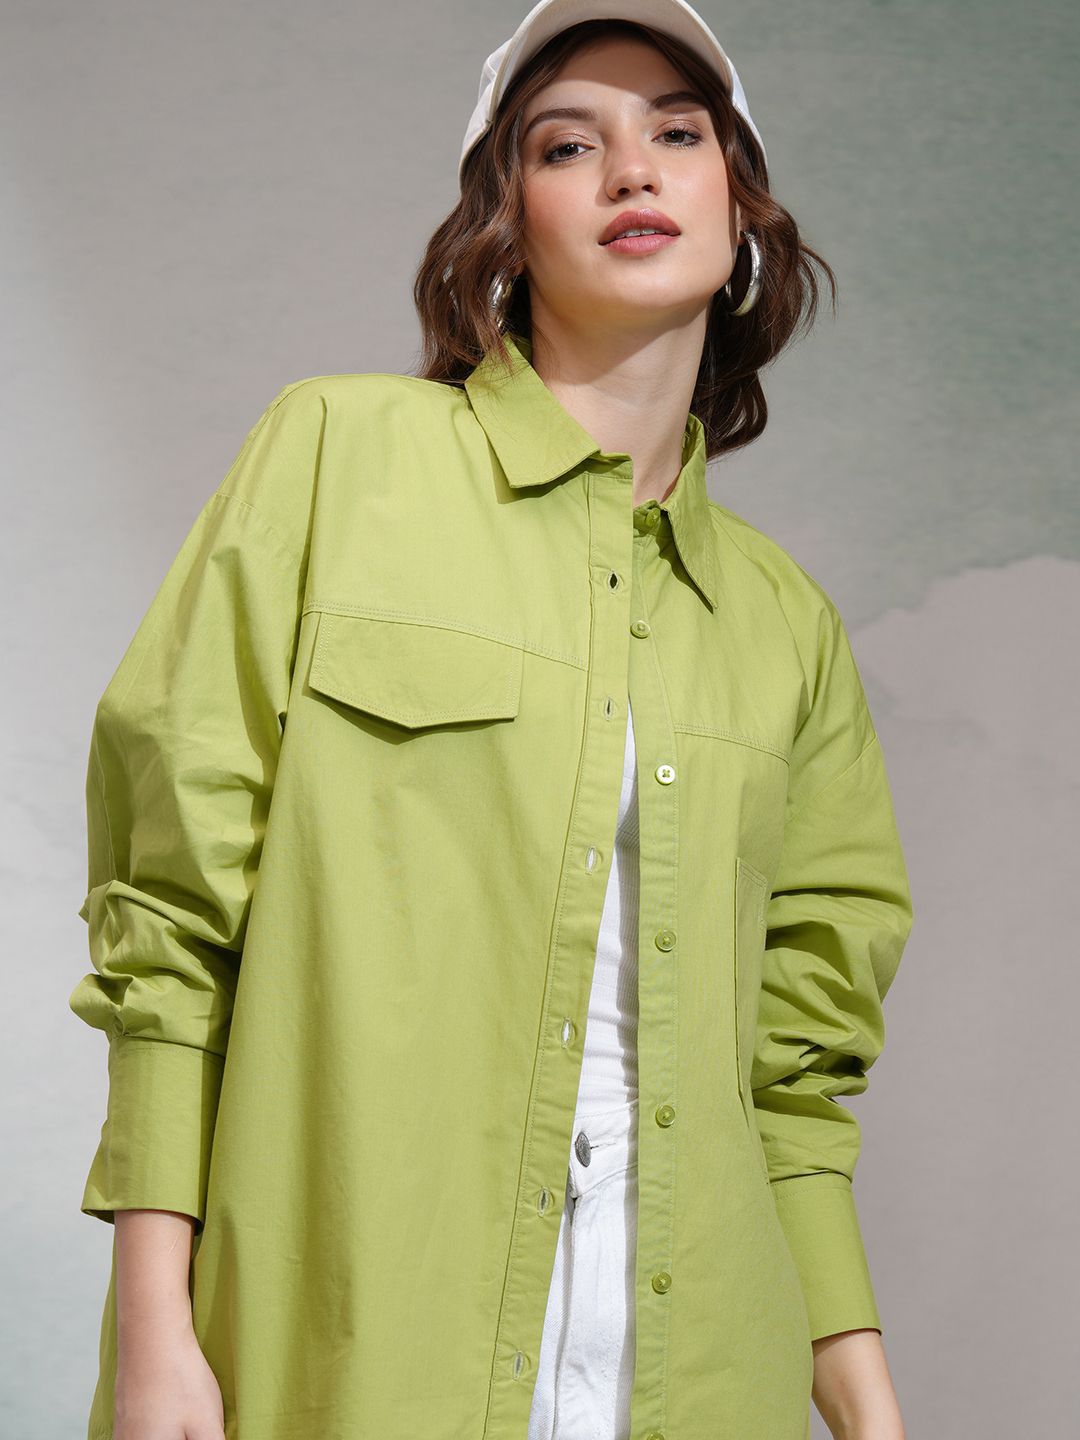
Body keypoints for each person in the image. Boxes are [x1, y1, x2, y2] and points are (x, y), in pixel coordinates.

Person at [69, 2, 915, 1438]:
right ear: (506, 228)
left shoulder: (787, 628)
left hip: (698, 1369)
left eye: (678, 134)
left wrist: (871, 1407)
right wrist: (157, 1329)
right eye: (568, 145)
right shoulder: (338, 462)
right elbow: (172, 924)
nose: (632, 170)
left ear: (742, 211)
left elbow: (796, 1078)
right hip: (360, 1346)